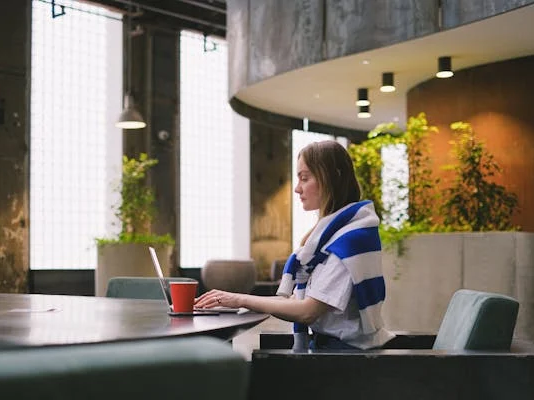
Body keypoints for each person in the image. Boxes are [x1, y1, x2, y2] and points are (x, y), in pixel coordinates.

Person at [195, 140, 394, 350]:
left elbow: (307, 311)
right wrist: (233, 299)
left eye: (305, 178)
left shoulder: (349, 242)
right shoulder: (332, 237)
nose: (297, 189)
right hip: (331, 351)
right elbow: (296, 302)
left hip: (343, 358)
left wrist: (239, 299)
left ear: (332, 177)